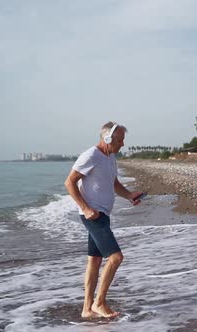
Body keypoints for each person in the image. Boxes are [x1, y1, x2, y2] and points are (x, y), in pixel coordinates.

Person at [65, 121, 144, 319]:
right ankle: (99, 303)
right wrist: (85, 208)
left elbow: (114, 183)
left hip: (103, 215)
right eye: (120, 140)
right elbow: (69, 182)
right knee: (116, 258)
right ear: (107, 138)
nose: (123, 144)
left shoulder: (110, 158)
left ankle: (86, 309)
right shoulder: (91, 155)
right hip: (93, 216)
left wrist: (130, 195)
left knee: (94, 261)